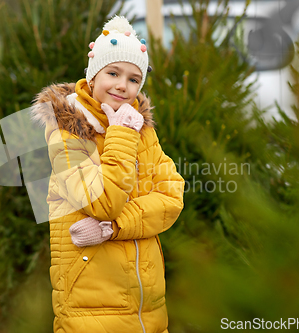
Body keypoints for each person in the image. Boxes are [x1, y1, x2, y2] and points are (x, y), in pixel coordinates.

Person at [31, 15, 184, 333]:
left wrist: (112, 229)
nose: (122, 85)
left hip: (149, 307)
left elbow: (171, 196)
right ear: (93, 74)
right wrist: (121, 133)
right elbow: (103, 202)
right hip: (92, 309)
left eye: (133, 79)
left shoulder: (140, 127)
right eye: (113, 73)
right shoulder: (67, 131)